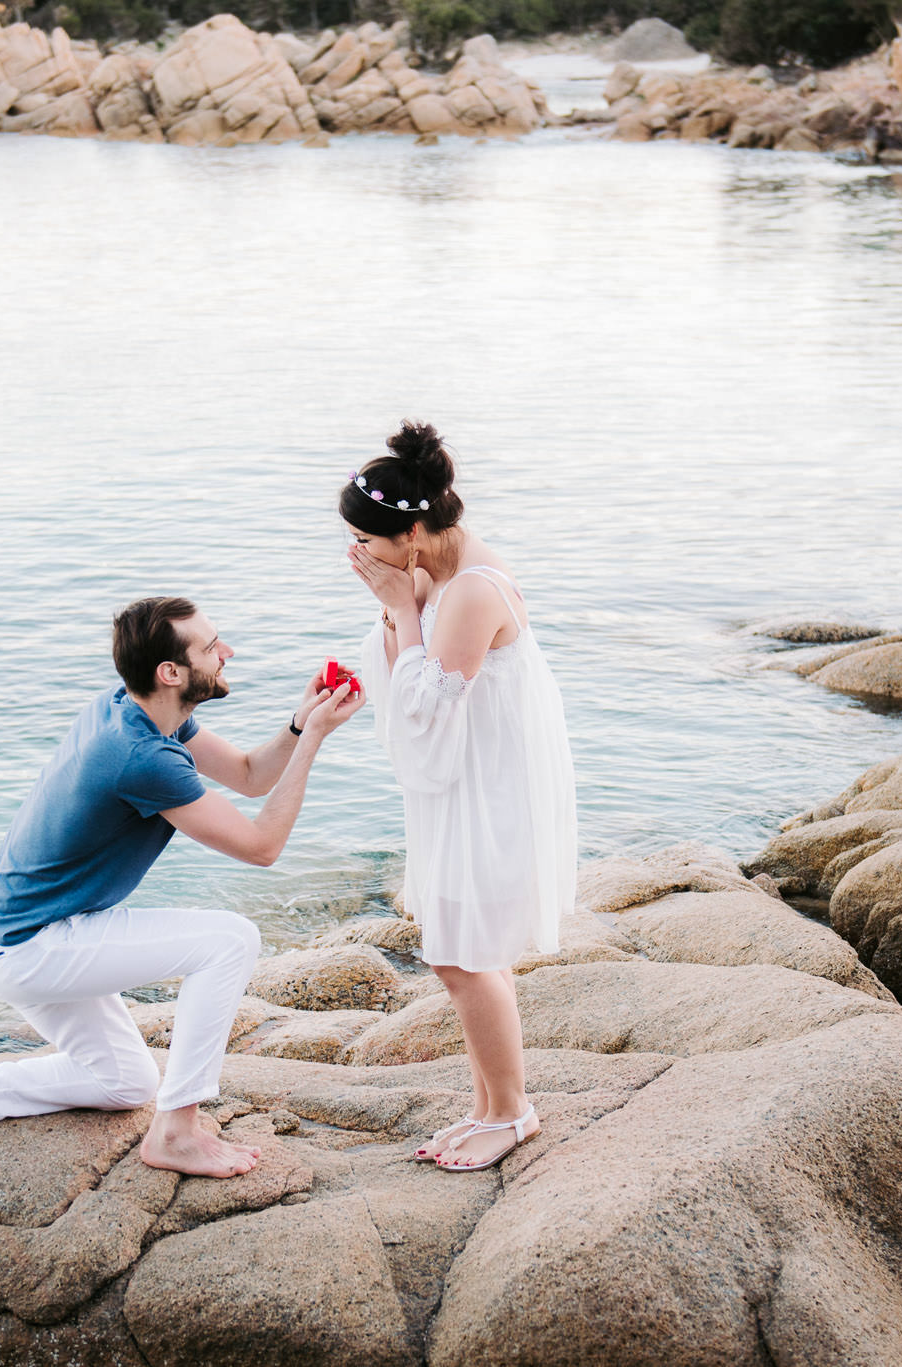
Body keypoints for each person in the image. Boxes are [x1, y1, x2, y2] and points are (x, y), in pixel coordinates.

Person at [0, 596, 364, 1182]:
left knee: (126, 1083)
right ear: (171, 673)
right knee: (231, 940)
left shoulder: (135, 710)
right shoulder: (140, 757)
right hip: (31, 944)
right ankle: (177, 1131)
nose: (228, 652)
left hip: (1, 934)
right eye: (212, 647)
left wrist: (297, 725)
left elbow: (250, 777)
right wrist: (315, 742)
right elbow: (263, 847)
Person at [344, 421, 578, 1173]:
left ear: (413, 532)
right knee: (461, 950)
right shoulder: (434, 572)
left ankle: (512, 1112)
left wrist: (405, 611)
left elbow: (424, 710)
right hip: (462, 781)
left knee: (465, 957)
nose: (358, 557)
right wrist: (400, 604)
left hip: (489, 789)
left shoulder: (471, 589)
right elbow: (408, 688)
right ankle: (486, 1105)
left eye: (367, 542)